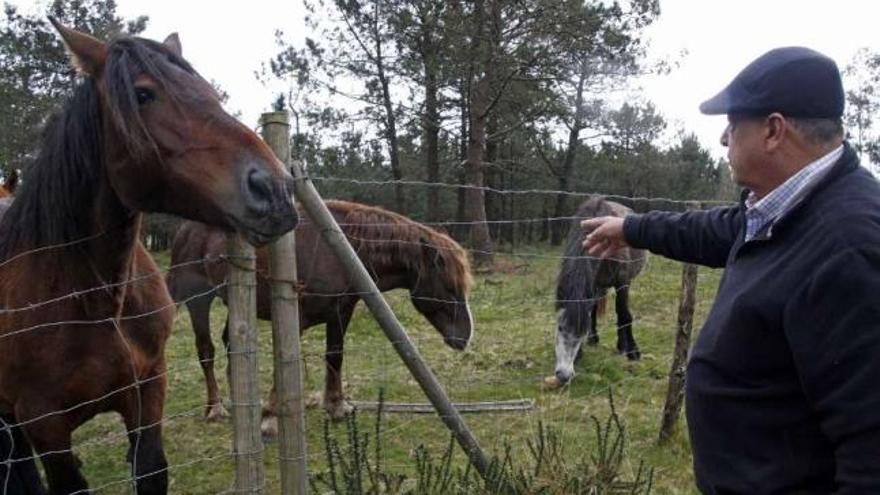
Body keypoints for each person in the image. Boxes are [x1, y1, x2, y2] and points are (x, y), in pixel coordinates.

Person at [582, 46, 880, 493]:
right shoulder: (787, 208)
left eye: (734, 123)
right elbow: (720, 229)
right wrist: (632, 228)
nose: (724, 138)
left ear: (773, 131)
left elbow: (870, 452)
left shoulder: (849, 248)